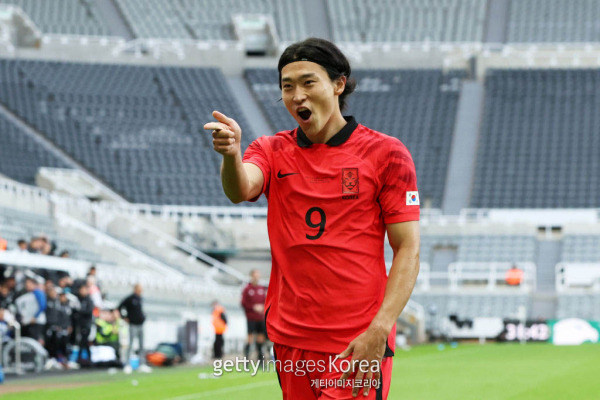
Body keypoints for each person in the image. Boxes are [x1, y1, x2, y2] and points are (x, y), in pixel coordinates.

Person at [204, 37, 420, 399]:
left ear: (338, 84)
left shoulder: (386, 154)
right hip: (290, 338)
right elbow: (240, 189)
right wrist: (231, 155)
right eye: (287, 87)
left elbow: (408, 248)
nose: (297, 96)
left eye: (308, 82)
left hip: (356, 337)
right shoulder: (271, 150)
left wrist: (380, 328)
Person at [118, 284, 151, 373]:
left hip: (140, 325)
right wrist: (124, 317)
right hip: (133, 325)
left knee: (141, 346)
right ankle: (127, 364)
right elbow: (120, 307)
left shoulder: (140, 298)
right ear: (136, 289)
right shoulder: (130, 298)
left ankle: (142, 364)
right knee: (131, 345)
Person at [241, 269, 267, 361]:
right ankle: (246, 359)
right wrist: (253, 307)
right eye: (255, 275)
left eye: (258, 275)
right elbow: (243, 303)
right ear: (251, 276)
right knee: (250, 338)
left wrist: (263, 307)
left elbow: (266, 302)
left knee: (261, 338)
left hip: (260, 318)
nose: (256, 277)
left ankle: (260, 359)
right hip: (251, 318)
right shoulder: (247, 289)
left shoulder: (262, 289)